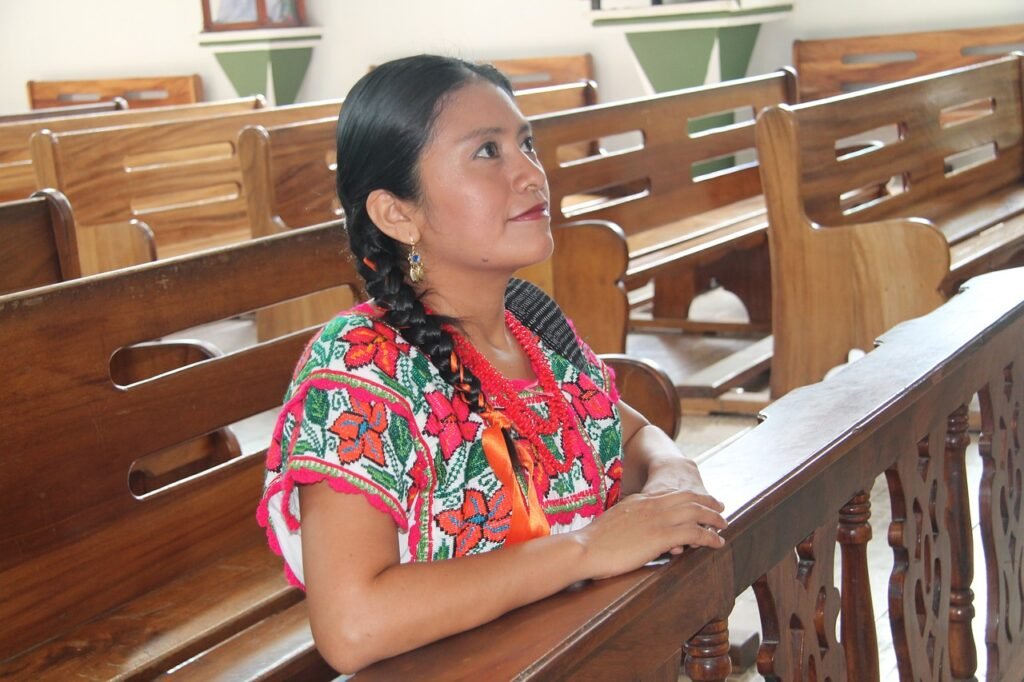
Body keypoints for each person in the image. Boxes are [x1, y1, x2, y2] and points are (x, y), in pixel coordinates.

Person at [258, 54, 727, 674]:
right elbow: (351, 625)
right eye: (487, 152)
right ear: (398, 213)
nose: (532, 174)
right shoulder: (360, 366)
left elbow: (636, 434)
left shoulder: (528, 323)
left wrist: (672, 475)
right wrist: (586, 548)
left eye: (525, 143)